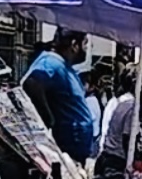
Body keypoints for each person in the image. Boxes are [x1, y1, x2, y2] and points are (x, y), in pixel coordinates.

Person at [22, 28, 94, 165]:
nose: (86, 49)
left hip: (73, 152)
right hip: (63, 152)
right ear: (74, 45)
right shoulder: (51, 62)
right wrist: (47, 118)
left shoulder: (64, 66)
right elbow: (32, 83)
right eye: (85, 44)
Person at [94, 67, 137, 179]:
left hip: (107, 155)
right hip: (117, 159)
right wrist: (131, 163)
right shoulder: (132, 106)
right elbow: (126, 137)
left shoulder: (121, 102)